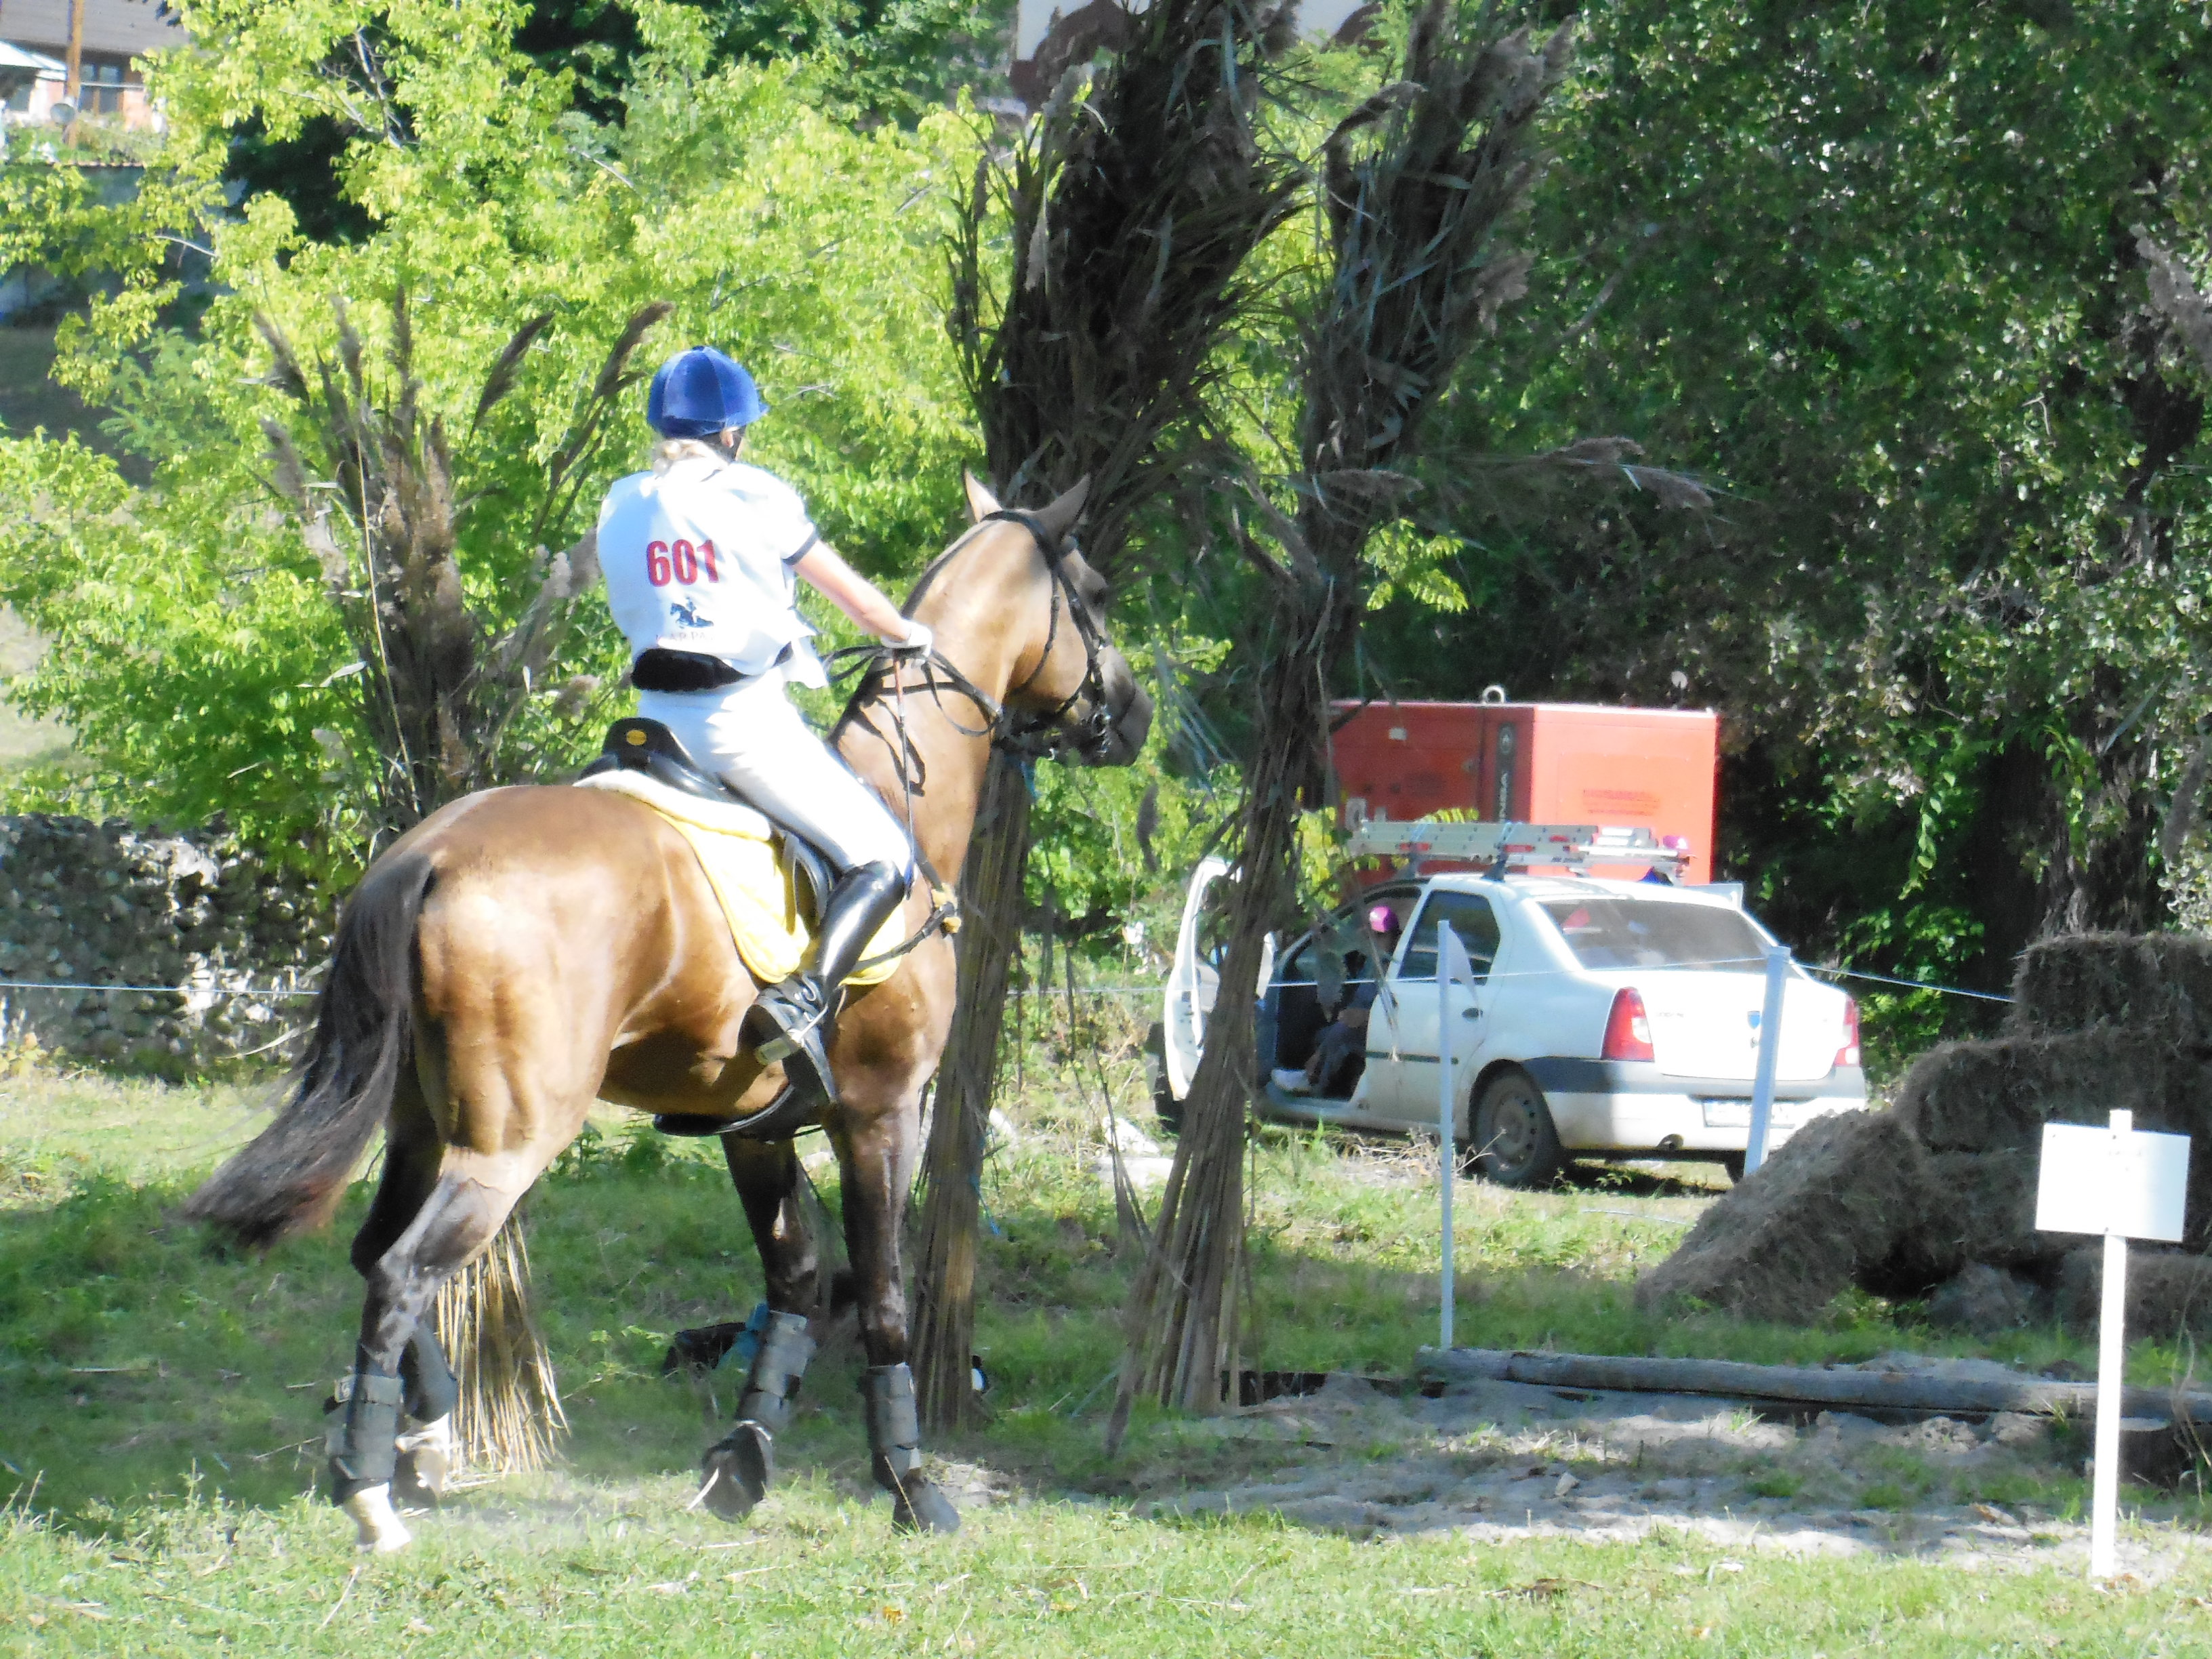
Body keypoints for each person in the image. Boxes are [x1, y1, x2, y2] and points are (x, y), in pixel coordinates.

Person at [596, 346, 928, 1105]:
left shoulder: (621, 499)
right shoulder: (754, 495)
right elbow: (859, 605)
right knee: (884, 854)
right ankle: (803, 997)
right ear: (732, 434)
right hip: (738, 723)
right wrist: (909, 636)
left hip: (652, 723)